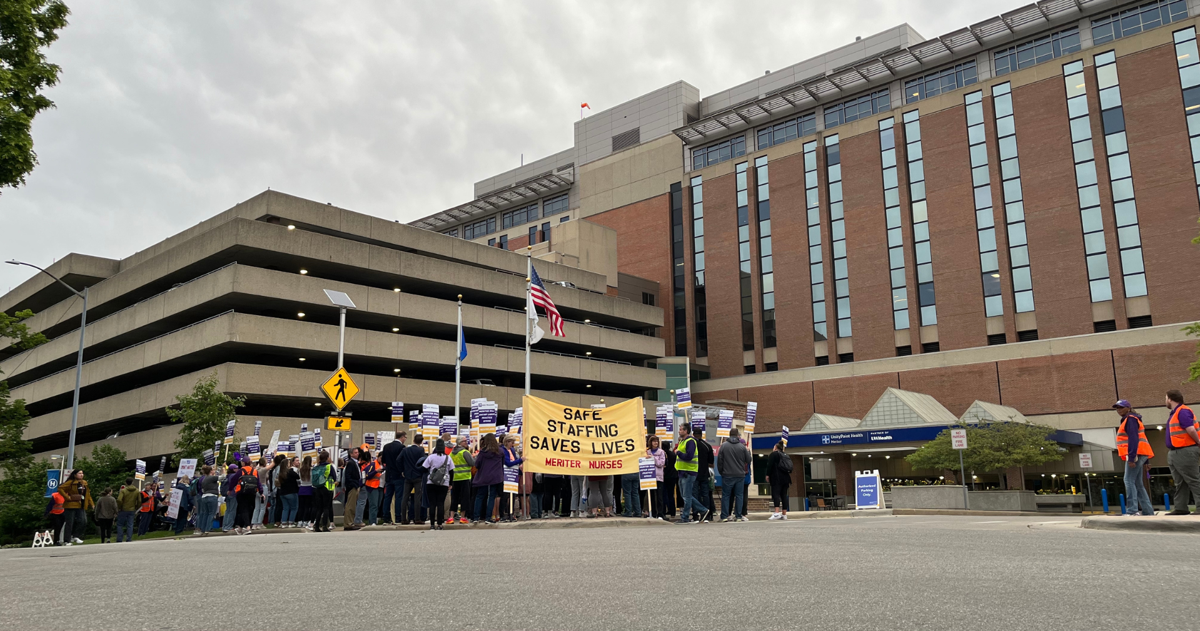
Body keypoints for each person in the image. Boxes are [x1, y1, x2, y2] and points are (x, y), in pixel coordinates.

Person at [1114, 399, 1155, 516]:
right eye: (1117, 408)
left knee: (1128, 480)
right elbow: (1141, 439)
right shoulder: (1133, 418)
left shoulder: (1130, 419)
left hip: (1135, 454)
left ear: (1128, 408)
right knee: (1138, 483)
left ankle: (1132, 510)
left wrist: (1131, 457)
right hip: (1141, 453)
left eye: (1121, 407)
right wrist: (1146, 460)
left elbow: (1133, 439)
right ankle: (1148, 511)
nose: (1118, 410)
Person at [1164, 389, 1200, 515]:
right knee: (1180, 482)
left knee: (1193, 480)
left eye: (1166, 398)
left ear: (1170, 399)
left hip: (1185, 450)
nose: (1165, 401)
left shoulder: (1182, 411)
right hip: (1176, 451)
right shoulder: (1175, 413)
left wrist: (1198, 442)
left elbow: (1190, 429)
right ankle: (1181, 508)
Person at [717, 428, 752, 522]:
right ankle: (738, 516)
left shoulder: (723, 446)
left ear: (729, 434)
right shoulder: (742, 447)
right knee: (739, 495)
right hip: (740, 475)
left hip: (727, 474)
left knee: (726, 495)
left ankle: (724, 516)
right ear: (737, 435)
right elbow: (748, 460)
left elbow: (719, 461)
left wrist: (722, 472)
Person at [423, 438, 455, 530]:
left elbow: (424, 468)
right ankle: (440, 524)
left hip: (431, 482)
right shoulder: (448, 458)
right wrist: (450, 483)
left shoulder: (431, 457)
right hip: (443, 483)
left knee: (432, 504)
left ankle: (432, 524)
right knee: (440, 503)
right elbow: (452, 471)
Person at [58, 469, 94, 545]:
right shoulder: (70, 482)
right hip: (70, 505)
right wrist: (67, 497)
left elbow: (87, 494)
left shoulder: (84, 483)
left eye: (82, 473)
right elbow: (60, 488)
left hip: (81, 504)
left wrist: (91, 504)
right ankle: (67, 540)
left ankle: (76, 536)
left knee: (83, 521)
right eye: (79, 473)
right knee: (69, 523)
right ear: (75, 475)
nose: (81, 475)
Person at [472, 434, 503, 523]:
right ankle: (488, 518)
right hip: (495, 477)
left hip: (483, 477)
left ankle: (476, 517)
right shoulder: (500, 452)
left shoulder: (482, 453)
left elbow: (477, 464)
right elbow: (502, 463)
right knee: (491, 496)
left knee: (480, 496)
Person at [399, 436, 427, 525]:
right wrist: (421, 470)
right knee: (417, 498)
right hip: (418, 476)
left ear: (413, 440)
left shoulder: (405, 450)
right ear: (421, 442)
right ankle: (417, 518)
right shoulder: (421, 450)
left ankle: (403, 518)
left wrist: (402, 470)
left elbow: (398, 460)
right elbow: (424, 461)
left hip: (407, 476)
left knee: (405, 497)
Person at [380, 431, 407, 524]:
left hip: (389, 475)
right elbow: (402, 461)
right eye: (405, 437)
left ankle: (386, 518)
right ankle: (398, 517)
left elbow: (383, 460)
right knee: (399, 497)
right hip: (399, 475)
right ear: (402, 437)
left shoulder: (386, 446)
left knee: (388, 497)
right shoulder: (402, 447)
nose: (405, 439)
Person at [674, 424, 698, 524]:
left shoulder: (690, 441)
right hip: (682, 471)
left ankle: (685, 517)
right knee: (686, 496)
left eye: (681, 430)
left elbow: (689, 456)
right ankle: (704, 510)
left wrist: (678, 452)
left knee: (686, 497)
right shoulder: (682, 441)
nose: (679, 431)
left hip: (688, 471)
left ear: (686, 431)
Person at [449, 436, 475, 524]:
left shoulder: (452, 453)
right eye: (464, 441)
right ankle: (463, 517)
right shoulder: (465, 452)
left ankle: (451, 517)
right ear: (460, 443)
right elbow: (472, 463)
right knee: (465, 498)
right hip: (465, 477)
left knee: (454, 498)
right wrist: (474, 457)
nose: (466, 442)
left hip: (455, 478)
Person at [766, 440, 792, 520]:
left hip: (776, 478)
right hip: (786, 478)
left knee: (776, 494)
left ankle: (776, 512)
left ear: (776, 447)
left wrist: (767, 475)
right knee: (784, 495)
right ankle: (784, 514)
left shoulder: (773, 454)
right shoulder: (785, 455)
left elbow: (769, 465)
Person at [356, 447, 382, 526]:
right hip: (372, 486)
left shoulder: (383, 465)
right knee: (373, 504)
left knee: (377, 504)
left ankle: (374, 519)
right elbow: (368, 475)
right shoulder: (373, 465)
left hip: (380, 486)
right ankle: (372, 521)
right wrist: (375, 471)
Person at [311, 450, 337, 532]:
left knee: (319, 508)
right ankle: (325, 525)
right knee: (326, 507)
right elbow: (334, 477)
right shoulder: (329, 466)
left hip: (318, 488)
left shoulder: (316, 467)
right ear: (327, 458)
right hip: (327, 487)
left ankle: (317, 525)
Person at [693, 428, 714, 523]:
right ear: (702, 435)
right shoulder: (707, 446)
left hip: (693, 473)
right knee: (705, 495)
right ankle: (707, 515)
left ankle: (696, 514)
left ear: (693, 434)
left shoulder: (691, 445)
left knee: (695, 494)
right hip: (704, 474)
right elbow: (711, 463)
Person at [501, 435, 524, 522]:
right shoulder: (503, 450)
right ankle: (503, 514)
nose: (513, 444)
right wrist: (520, 460)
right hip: (506, 475)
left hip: (513, 475)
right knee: (505, 496)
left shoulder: (512, 450)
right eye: (512, 442)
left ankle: (512, 513)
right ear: (507, 442)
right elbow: (508, 463)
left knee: (513, 495)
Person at [234, 458, 259, 534]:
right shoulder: (254, 471)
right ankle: (240, 528)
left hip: (241, 492)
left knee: (243, 509)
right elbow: (258, 482)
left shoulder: (240, 471)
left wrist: (230, 489)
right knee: (250, 509)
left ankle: (247, 527)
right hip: (252, 492)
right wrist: (261, 492)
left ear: (243, 463)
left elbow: (234, 480)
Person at [195, 465, 221, 534]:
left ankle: (203, 529)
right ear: (210, 471)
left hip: (204, 497)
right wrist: (223, 470)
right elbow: (222, 477)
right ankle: (208, 528)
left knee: (205, 513)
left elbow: (203, 489)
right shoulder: (212, 478)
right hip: (212, 496)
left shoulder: (203, 479)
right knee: (211, 513)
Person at [341, 447, 363, 531]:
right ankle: (348, 523)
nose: (357, 454)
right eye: (355, 452)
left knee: (353, 506)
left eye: (357, 452)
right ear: (351, 454)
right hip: (352, 487)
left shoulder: (356, 463)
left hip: (356, 486)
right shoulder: (350, 463)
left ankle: (351, 522)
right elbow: (348, 476)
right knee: (350, 506)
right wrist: (354, 484)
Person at [277, 456, 300, 527]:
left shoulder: (281, 473)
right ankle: (291, 522)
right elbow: (297, 476)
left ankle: (283, 522)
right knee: (294, 507)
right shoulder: (290, 472)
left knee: (285, 508)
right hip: (291, 492)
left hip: (282, 493)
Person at [647, 436, 666, 519]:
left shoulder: (661, 452)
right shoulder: (647, 452)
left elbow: (661, 463)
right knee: (651, 496)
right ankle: (653, 513)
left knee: (659, 496)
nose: (656, 443)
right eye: (654, 441)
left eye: (657, 441)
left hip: (659, 476)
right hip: (650, 476)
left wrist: (653, 458)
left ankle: (660, 513)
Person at [221, 463, 241, 532]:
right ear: (233, 469)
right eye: (236, 468)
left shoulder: (227, 476)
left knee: (228, 511)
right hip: (233, 494)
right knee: (232, 511)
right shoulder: (233, 476)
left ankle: (224, 526)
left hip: (228, 495)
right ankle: (229, 526)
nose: (237, 469)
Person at [297, 456, 314, 529]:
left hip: (302, 488)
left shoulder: (300, 470)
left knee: (301, 506)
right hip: (309, 488)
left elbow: (299, 479)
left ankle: (300, 521)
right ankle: (306, 520)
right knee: (308, 506)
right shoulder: (311, 470)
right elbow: (312, 479)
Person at [662, 441, 678, 519]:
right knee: (671, 495)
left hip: (665, 476)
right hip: (673, 476)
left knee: (664, 494)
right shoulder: (673, 454)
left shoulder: (663, 455)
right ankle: (672, 512)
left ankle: (664, 510)